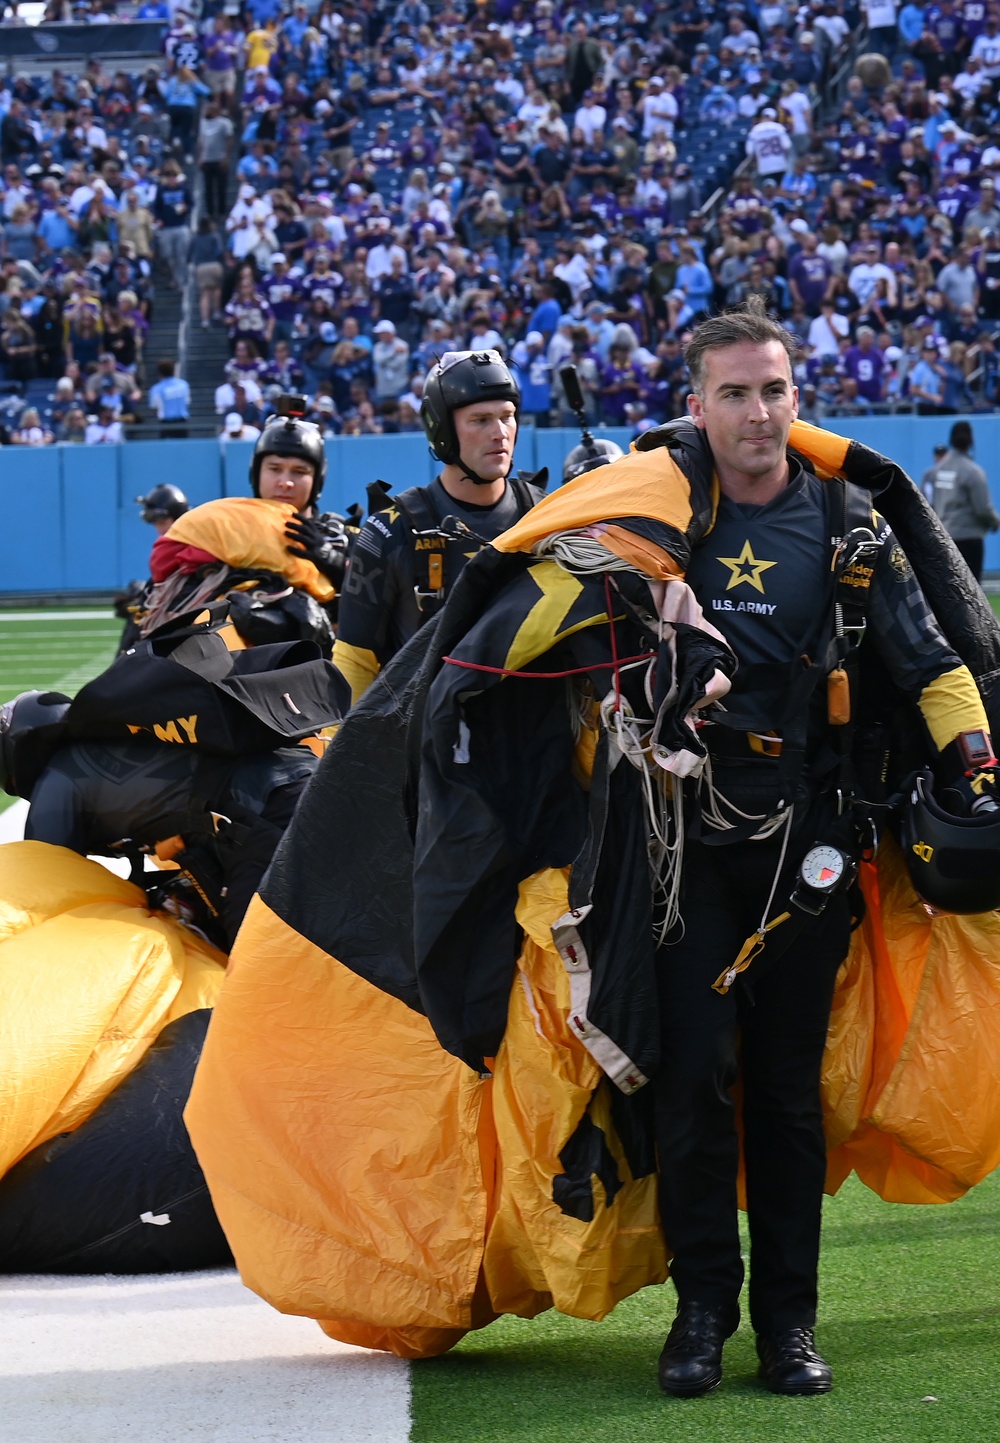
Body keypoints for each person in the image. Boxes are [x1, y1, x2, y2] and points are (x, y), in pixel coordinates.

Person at [650, 301, 996, 1399]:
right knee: (693, 1077)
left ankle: (787, 1329)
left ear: (796, 398)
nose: (759, 413)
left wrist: (979, 767)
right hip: (680, 844)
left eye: (776, 390)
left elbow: (933, 662)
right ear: (696, 406)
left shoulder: (850, 525)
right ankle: (700, 1314)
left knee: (786, 1093)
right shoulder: (650, 514)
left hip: (809, 841)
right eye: (736, 393)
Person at [332, 350, 546, 702]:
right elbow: (354, 662)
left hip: (532, 741)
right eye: (480, 420)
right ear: (441, 429)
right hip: (425, 744)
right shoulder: (391, 531)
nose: (500, 433)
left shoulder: (546, 516)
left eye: (507, 417)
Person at [923, 420, 1000, 581]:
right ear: (971, 441)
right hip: (969, 538)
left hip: (945, 537)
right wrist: (994, 521)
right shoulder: (973, 472)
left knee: (951, 589)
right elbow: (982, 509)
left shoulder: (936, 471)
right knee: (972, 592)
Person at [148, 359, 191, 438]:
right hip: (182, 423)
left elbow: (155, 408)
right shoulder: (184, 385)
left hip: (166, 424)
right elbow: (187, 402)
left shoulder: (156, 389)